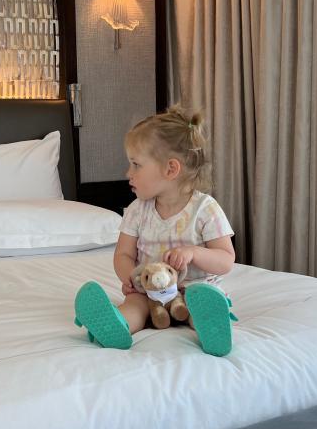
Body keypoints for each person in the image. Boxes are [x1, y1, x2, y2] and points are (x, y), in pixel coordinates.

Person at [73, 105, 237, 356]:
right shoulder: (137, 211)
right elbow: (123, 255)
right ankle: (118, 326)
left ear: (170, 169)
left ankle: (211, 327)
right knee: (135, 305)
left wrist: (194, 252)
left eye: (136, 164)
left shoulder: (205, 208)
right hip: (150, 294)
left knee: (200, 301)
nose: (128, 173)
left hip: (195, 291)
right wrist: (132, 278)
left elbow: (226, 260)